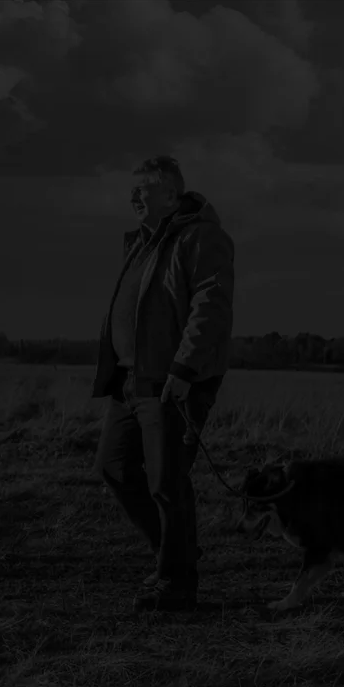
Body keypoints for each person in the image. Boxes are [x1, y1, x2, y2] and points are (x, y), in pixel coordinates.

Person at [91, 155, 235, 612]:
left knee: (167, 481)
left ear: (170, 196)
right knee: (113, 467)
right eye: (132, 191)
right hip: (130, 382)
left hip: (171, 382)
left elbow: (210, 309)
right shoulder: (143, 242)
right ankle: (178, 553)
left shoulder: (202, 238)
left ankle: (176, 584)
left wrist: (183, 372)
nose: (133, 197)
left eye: (143, 191)